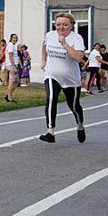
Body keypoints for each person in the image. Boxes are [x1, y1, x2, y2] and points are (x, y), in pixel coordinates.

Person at [39, 13, 87, 144]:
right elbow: (44, 46)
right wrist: (43, 61)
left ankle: (80, 125)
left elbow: (78, 58)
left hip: (71, 79)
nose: (61, 27)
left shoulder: (76, 38)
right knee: (51, 98)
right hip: (52, 74)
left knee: (74, 106)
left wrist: (64, 44)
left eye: (65, 24)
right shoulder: (50, 35)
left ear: (71, 25)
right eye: (58, 24)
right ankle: (50, 132)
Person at [4, 34, 19, 102]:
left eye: (16, 38)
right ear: (11, 38)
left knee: (16, 81)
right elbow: (10, 57)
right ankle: (9, 98)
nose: (15, 39)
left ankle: (8, 94)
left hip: (14, 65)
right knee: (12, 82)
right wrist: (14, 67)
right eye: (13, 38)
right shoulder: (10, 46)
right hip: (11, 65)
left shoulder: (13, 46)